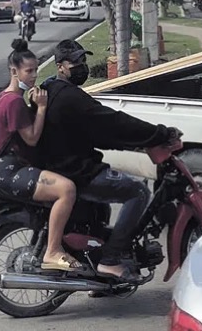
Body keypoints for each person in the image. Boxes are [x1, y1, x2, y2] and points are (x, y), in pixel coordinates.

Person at [37, 39, 177, 283]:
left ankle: (99, 275)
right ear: (61, 66)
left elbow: (98, 133)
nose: (82, 67)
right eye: (76, 63)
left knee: (108, 203)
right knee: (138, 191)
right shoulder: (71, 97)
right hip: (77, 171)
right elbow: (113, 122)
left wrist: (136, 142)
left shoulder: (51, 88)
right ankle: (110, 259)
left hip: (65, 165)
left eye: (84, 61)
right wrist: (160, 133)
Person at [0, 39, 80, 272]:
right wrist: (40, 108)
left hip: (6, 168)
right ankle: (52, 251)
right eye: (29, 71)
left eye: (36, 70)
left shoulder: (6, 97)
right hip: (11, 172)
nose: (34, 76)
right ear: (14, 71)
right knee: (67, 189)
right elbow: (31, 138)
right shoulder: (13, 102)